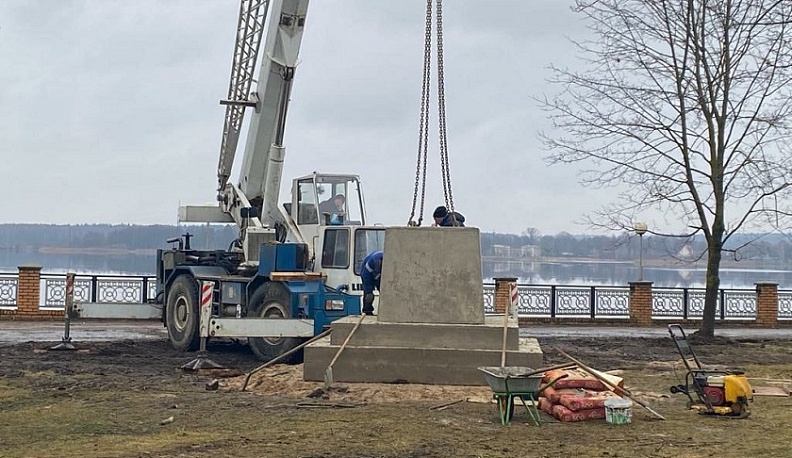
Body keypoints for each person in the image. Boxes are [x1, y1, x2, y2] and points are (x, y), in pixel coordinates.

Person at [360, 250, 383, 316]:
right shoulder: (373, 261)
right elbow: (365, 276)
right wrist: (369, 291)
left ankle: (387, 312)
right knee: (368, 295)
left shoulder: (389, 261)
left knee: (385, 292)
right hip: (367, 275)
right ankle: (367, 311)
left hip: (380, 276)